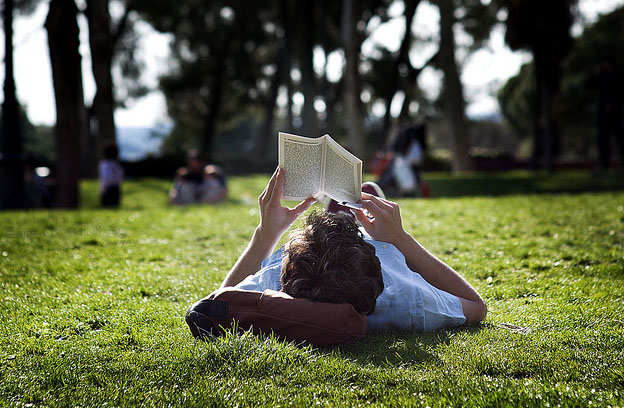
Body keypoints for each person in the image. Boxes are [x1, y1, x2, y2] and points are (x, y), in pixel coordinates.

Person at [220, 168, 487, 333]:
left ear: (287, 266)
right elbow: (476, 306)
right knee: (363, 243)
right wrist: (401, 240)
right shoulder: (406, 296)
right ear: (376, 267)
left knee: (331, 243)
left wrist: (265, 235)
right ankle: (348, 223)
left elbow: (216, 302)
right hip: (368, 262)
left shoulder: (272, 279)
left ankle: (339, 219)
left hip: (316, 270)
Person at [99, 143, 124, 207]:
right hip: (116, 189)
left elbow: (106, 178)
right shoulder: (117, 165)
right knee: (115, 208)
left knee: (106, 208)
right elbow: (120, 177)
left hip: (108, 190)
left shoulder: (104, 164)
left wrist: (102, 189)